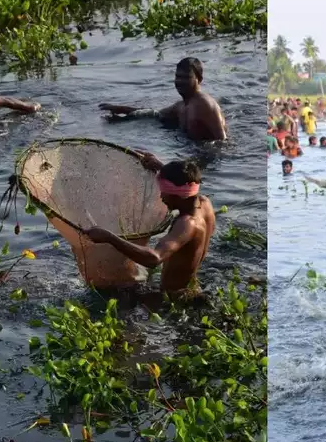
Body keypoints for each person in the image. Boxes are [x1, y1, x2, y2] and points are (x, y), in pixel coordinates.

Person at [86, 155, 214, 297]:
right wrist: (161, 167)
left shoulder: (187, 224)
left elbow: (154, 259)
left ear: (178, 194)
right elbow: (186, 183)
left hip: (173, 298)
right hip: (191, 289)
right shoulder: (204, 203)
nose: (161, 197)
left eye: (164, 192)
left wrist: (109, 237)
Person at [98, 57, 226, 141]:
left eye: (186, 78)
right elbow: (154, 114)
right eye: (177, 77)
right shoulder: (180, 106)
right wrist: (122, 111)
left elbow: (223, 142)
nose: (180, 81)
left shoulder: (205, 104)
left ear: (199, 79)